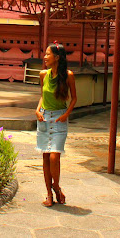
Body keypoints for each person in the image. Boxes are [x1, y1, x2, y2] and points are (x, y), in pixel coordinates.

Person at [35, 42, 77, 207]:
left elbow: (74, 98)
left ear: (57, 57)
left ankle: (56, 187)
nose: (45, 57)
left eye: (47, 54)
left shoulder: (68, 75)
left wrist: (66, 114)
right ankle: (49, 194)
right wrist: (37, 110)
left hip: (59, 119)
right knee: (45, 157)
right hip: (44, 118)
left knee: (54, 156)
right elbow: (42, 96)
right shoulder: (43, 75)